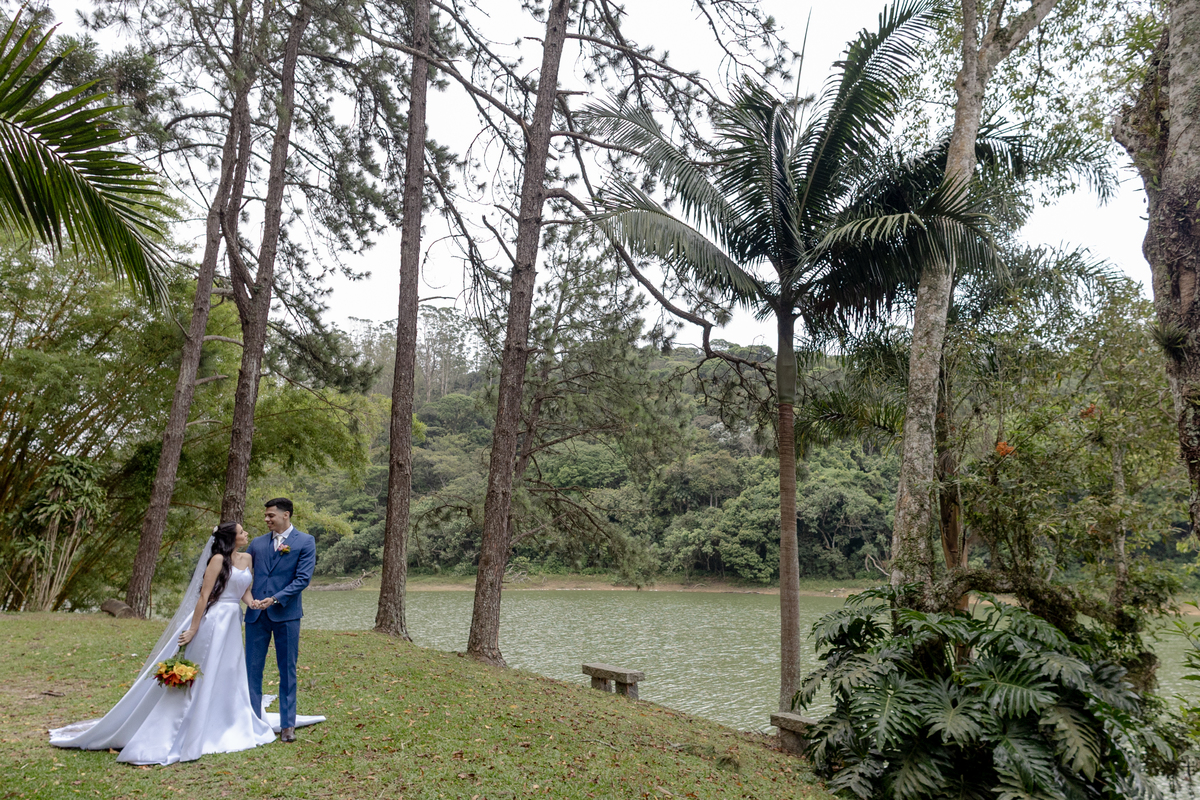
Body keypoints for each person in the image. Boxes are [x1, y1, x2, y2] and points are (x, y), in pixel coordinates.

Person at [49, 523, 276, 765]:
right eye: (241, 532)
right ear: (231, 537)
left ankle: (226, 719)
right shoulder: (218, 560)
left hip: (232, 621)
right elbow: (204, 596)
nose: (246, 535)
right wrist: (193, 630)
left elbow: (244, 591)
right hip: (213, 621)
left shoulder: (248, 558)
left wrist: (253, 603)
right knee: (205, 671)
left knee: (229, 671)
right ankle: (193, 723)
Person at [245, 497, 316, 743]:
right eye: (266, 515)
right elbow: (242, 574)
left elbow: (302, 579)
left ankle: (287, 725)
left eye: (270, 515)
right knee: (252, 670)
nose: (266, 519)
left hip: (286, 614)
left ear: (286, 515)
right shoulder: (256, 544)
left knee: (287, 669)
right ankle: (253, 721)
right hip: (255, 615)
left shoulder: (306, 542)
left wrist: (274, 599)